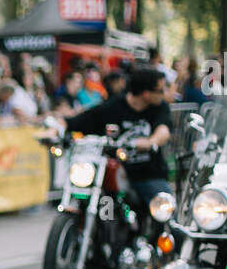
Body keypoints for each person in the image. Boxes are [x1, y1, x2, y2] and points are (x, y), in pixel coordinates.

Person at [66, 66, 172, 209]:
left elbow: (163, 129)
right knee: (101, 203)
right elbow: (78, 121)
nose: (164, 93)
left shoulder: (160, 107)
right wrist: (56, 128)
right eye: (160, 90)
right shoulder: (112, 107)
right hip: (113, 175)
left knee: (165, 211)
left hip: (148, 175)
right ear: (146, 94)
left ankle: (159, 230)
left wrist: (150, 142)